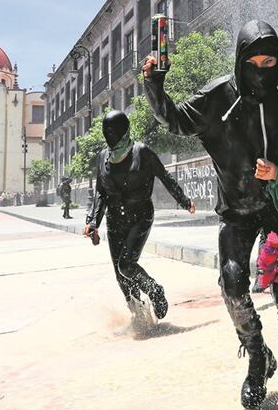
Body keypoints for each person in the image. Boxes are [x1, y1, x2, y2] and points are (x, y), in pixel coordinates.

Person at [143, 20, 278, 410]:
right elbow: (173, 120)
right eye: (252, 61)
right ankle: (257, 356)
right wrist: (155, 84)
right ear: (239, 60)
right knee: (232, 284)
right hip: (235, 213)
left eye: (269, 60)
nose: (261, 69)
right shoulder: (218, 97)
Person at [83, 110, 195, 323]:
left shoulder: (142, 152)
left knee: (126, 265)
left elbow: (165, 177)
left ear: (123, 131)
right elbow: (100, 192)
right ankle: (140, 316)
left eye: (112, 130)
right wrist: (92, 222)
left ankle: (155, 291)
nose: (109, 135)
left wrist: (184, 200)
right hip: (114, 220)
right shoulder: (102, 158)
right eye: (106, 131)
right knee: (120, 275)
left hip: (140, 216)